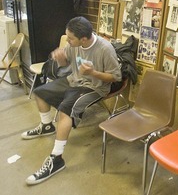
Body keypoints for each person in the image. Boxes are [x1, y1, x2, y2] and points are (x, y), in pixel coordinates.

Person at [22, 17, 122, 185]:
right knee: (40, 92)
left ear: (83, 39)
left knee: (65, 110)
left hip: (95, 87)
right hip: (73, 80)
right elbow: (65, 62)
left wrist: (93, 73)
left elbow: (115, 77)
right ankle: (46, 126)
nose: (67, 41)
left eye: (70, 38)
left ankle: (56, 159)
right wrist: (60, 58)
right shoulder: (73, 44)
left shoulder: (105, 49)